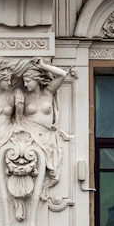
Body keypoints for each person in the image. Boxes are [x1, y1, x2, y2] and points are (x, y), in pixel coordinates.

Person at [18, 58, 68, 186]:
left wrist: (43, 66)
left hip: (47, 139)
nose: (25, 84)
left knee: (45, 176)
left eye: (28, 81)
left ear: (36, 79)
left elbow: (63, 74)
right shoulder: (23, 97)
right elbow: (17, 119)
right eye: (24, 81)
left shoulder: (48, 92)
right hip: (30, 139)